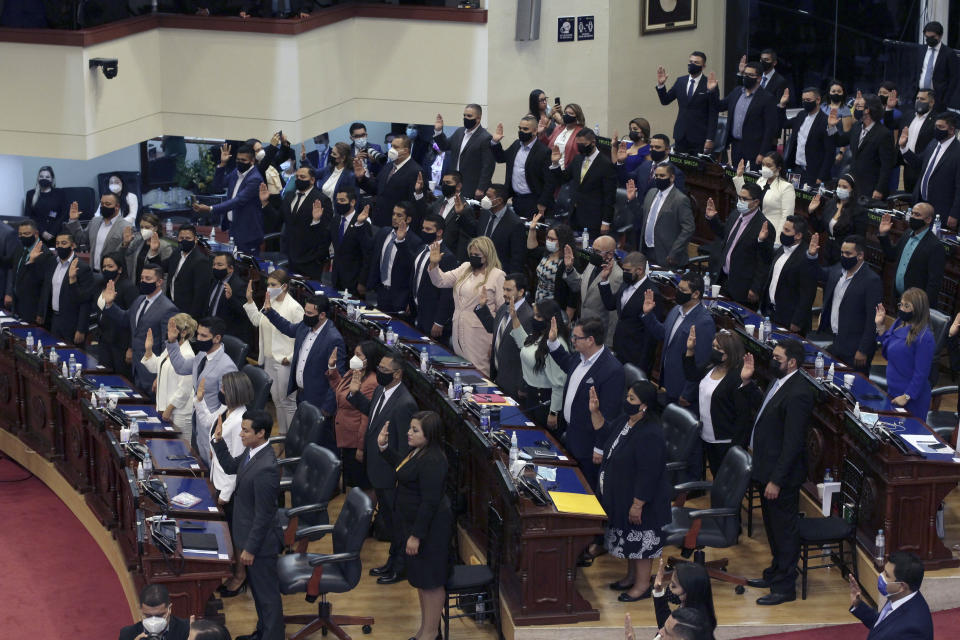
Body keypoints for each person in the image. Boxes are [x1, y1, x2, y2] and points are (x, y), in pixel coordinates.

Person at [741, 339, 815, 605]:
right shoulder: (779, 380)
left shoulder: (800, 392)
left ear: (792, 362)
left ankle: (785, 587)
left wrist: (776, 480)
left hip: (780, 476)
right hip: (765, 467)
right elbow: (765, 410)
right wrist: (748, 383)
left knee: (784, 530)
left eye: (777, 358)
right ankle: (776, 572)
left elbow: (793, 443)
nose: (772, 361)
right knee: (772, 527)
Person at [375, 411, 452, 640]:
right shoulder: (419, 451)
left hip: (430, 532)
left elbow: (429, 502)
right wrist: (385, 448)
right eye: (410, 428)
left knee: (431, 581)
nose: (409, 433)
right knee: (421, 579)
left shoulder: (434, 460)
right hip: (413, 525)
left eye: (414, 430)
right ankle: (424, 630)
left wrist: (416, 536)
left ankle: (430, 634)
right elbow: (404, 469)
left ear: (429, 435)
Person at [592, 380, 671, 602]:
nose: (627, 401)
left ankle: (643, 585)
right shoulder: (627, 422)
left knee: (641, 542)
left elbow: (649, 473)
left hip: (645, 502)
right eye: (628, 396)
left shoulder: (651, 433)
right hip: (623, 495)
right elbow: (606, 432)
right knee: (629, 539)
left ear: (644, 406)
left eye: (632, 399)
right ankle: (630, 577)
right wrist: (595, 412)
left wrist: (638, 504)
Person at [211, 409, 284, 640]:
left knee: (267, 596)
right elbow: (232, 467)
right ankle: (262, 633)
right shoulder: (252, 452)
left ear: (261, 433)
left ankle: (272, 636)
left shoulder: (266, 468)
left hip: (260, 545)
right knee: (260, 594)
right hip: (247, 535)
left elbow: (264, 514)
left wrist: (250, 548)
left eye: (245, 431)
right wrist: (218, 441)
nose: (241, 434)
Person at [347, 350, 418, 585]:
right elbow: (373, 414)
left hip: (391, 475)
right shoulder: (381, 390)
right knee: (389, 521)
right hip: (376, 470)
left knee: (398, 524)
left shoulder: (405, 403)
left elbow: (406, 447)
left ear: (397, 374)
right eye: (378, 367)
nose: (379, 373)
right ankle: (390, 562)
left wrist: (399, 475)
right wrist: (355, 395)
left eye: (384, 370)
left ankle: (401, 568)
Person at [548, 316, 625, 492]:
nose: (572, 341)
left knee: (584, 490)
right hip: (571, 433)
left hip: (589, 444)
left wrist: (600, 446)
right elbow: (566, 363)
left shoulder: (612, 370)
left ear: (590, 340)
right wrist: (553, 343)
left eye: (576, 337)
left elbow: (609, 413)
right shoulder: (579, 357)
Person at [261, 293, 345, 449]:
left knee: (321, 444)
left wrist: (327, 408)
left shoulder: (334, 339)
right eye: (305, 312)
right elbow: (287, 327)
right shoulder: (305, 326)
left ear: (322, 315)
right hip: (302, 395)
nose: (305, 316)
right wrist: (270, 312)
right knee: (304, 441)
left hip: (319, 402)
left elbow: (337, 378)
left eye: (309, 313)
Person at [197, 370, 255, 596]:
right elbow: (206, 424)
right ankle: (232, 571)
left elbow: (238, 465)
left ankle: (241, 576)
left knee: (235, 534)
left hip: (230, 488)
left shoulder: (242, 421)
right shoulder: (226, 411)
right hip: (217, 479)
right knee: (227, 532)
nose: (220, 391)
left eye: (223, 388)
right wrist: (199, 401)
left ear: (234, 391)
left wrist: (226, 493)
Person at [165, 316, 239, 465]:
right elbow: (180, 367)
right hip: (198, 423)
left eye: (203, 336)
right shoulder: (201, 356)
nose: (198, 338)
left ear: (217, 338)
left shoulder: (227, 367)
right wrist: (173, 342)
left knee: (210, 473)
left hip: (213, 429)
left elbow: (229, 406)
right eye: (198, 334)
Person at [428, 236, 505, 376]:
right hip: (458, 327)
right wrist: (434, 265)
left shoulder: (497, 275)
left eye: (477, 255)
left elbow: (502, 312)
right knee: (460, 370)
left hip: (481, 334)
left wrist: (495, 343)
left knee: (478, 372)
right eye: (471, 254)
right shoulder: (465, 267)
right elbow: (440, 281)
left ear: (487, 255)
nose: (473, 257)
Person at [806, 233, 883, 373]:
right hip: (835, 339)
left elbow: (872, 319)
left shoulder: (872, 280)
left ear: (860, 256)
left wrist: (863, 350)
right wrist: (812, 256)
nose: (843, 257)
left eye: (848, 254)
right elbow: (817, 274)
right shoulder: (837, 270)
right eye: (842, 253)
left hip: (855, 346)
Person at [101, 264, 179, 393]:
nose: (143, 282)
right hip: (136, 367)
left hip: (153, 372)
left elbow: (167, 345)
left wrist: (162, 375)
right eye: (142, 278)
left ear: (159, 282)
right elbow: (125, 319)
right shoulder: (140, 299)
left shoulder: (168, 309)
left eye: (148, 279)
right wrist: (109, 304)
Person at [243, 270, 303, 435]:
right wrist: (250, 301)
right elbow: (257, 321)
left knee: (288, 402)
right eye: (268, 284)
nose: (269, 288)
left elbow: (302, 337)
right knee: (277, 400)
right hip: (269, 359)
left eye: (273, 285)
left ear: (284, 287)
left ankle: (290, 440)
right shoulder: (270, 301)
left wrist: (290, 358)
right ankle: (282, 435)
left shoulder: (295, 308)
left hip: (284, 361)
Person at [642, 273, 716, 406]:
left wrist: (688, 393)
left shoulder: (704, 322)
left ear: (695, 294)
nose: (678, 292)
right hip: (667, 382)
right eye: (678, 288)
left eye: (683, 290)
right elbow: (663, 335)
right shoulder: (676, 309)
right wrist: (648, 314)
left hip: (682, 390)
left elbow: (701, 362)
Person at [683, 327, 748, 476]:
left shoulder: (737, 378)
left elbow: (742, 416)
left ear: (730, 352)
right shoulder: (711, 366)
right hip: (706, 435)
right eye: (713, 346)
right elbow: (691, 375)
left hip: (725, 441)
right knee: (715, 476)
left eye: (719, 348)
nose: (714, 350)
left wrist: (736, 448)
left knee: (725, 484)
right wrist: (690, 350)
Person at [704, 183, 772, 307]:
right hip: (722, 278)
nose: (740, 201)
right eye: (739, 197)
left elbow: (764, 261)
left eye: (744, 199)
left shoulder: (764, 226)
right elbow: (725, 235)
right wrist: (713, 218)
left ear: (756, 202)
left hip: (742, 288)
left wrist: (755, 288)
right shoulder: (735, 214)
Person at [193, 143, 265, 255]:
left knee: (247, 266)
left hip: (247, 231)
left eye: (243, 160)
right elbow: (218, 185)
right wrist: (222, 164)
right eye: (238, 159)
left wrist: (210, 208)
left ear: (252, 161)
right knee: (233, 261)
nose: (239, 162)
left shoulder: (255, 179)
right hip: (233, 227)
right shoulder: (236, 173)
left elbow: (238, 201)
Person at [262, 165, 331, 280]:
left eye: (302, 177)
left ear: (312, 180)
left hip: (310, 258)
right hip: (289, 254)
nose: (298, 179)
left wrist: (316, 220)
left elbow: (325, 234)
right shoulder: (289, 196)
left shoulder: (322, 200)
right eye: (297, 177)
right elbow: (277, 221)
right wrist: (265, 203)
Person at [875, 289, 936, 419]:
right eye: (901, 304)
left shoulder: (925, 337)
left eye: (906, 306)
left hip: (911, 399)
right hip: (893, 391)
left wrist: (907, 396)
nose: (902, 308)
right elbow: (887, 354)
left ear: (918, 309)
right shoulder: (899, 324)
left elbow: (921, 373)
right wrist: (880, 326)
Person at [327, 342, 378, 494]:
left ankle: (364, 516)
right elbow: (340, 391)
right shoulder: (353, 372)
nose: (354, 358)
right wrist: (332, 368)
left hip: (356, 441)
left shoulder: (371, 382)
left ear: (368, 359)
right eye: (354, 354)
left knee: (363, 485)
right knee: (352, 482)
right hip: (345, 437)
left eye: (359, 355)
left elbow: (365, 417)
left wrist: (361, 448)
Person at [547, 128, 617, 239]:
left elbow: (609, 196)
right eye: (577, 144)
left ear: (593, 142)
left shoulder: (606, 164)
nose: (579, 147)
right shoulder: (577, 159)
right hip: (574, 214)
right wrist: (555, 164)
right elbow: (563, 179)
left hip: (594, 218)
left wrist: (606, 222)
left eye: (582, 144)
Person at [848, 551, 934, 639]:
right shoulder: (899, 595)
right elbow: (882, 624)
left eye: (887, 575)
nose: (881, 576)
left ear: (902, 586)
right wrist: (858, 604)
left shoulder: (913, 630)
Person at [599, 251, 661, 372]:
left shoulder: (652, 293)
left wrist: (642, 365)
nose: (624, 273)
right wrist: (604, 280)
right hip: (619, 347)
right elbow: (610, 304)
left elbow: (651, 334)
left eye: (627, 270)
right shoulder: (626, 284)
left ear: (639, 270)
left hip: (636, 355)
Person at [512, 298, 568, 429]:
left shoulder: (556, 344)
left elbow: (559, 383)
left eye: (538, 316)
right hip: (530, 396)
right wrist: (514, 317)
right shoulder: (538, 335)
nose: (534, 318)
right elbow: (524, 345)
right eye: (534, 315)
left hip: (545, 401)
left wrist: (553, 412)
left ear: (549, 319)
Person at [474, 272, 534, 398]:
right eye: (503, 289)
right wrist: (483, 307)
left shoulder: (528, 316)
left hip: (514, 384)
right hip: (498, 376)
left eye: (509, 290)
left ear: (521, 292)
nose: (505, 294)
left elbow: (528, 355)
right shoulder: (504, 308)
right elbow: (493, 328)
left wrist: (523, 386)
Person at [141, 313, 197, 447]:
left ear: (183, 332)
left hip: (180, 413)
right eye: (168, 329)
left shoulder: (188, 354)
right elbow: (158, 366)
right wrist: (148, 350)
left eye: (173, 329)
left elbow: (185, 389)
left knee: (181, 450)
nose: (168, 333)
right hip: (167, 409)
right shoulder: (171, 348)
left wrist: (169, 409)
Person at [827, 95, 896, 200]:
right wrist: (832, 127)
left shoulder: (884, 134)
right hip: (854, 185)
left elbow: (886, 166)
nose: (855, 110)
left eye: (858, 107)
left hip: (871, 188)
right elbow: (839, 141)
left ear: (867, 110)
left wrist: (879, 189)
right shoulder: (857, 127)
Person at [898, 112, 960, 229]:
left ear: (952, 130)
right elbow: (918, 164)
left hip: (941, 211)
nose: (936, 130)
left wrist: (955, 214)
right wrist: (904, 147)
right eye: (936, 126)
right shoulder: (932, 143)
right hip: (920, 203)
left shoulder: (957, 152)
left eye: (941, 127)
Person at [710, 61, 779, 166]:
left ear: (759, 78)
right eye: (745, 74)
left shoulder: (767, 98)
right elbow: (719, 106)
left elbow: (769, 129)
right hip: (736, 146)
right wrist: (713, 90)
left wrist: (762, 153)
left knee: (751, 180)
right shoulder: (737, 92)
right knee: (736, 178)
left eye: (750, 75)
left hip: (754, 149)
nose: (746, 77)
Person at [878, 204, 945, 307]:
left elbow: (934, 283)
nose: (912, 217)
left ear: (928, 220)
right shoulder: (907, 234)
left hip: (916, 305)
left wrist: (923, 307)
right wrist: (883, 234)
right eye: (912, 213)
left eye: (917, 215)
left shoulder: (935, 246)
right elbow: (892, 256)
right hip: (897, 299)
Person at [761, 216, 817, 334]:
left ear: (798, 235)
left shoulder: (806, 257)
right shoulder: (782, 249)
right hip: (771, 312)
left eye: (787, 230)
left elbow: (808, 294)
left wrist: (797, 321)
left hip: (790, 320)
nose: (782, 232)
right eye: (783, 229)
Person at [631, 161, 694, 267]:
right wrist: (632, 200)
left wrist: (675, 252)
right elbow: (642, 215)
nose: (658, 178)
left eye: (662, 176)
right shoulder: (651, 192)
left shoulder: (680, 199)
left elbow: (689, 228)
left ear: (672, 178)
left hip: (667, 255)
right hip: (646, 249)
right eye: (656, 176)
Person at [365, 202, 424, 313]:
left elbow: (412, 269)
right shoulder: (384, 232)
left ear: (409, 219)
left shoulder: (416, 242)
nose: (394, 218)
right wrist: (361, 225)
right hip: (380, 292)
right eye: (393, 214)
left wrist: (401, 241)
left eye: (399, 215)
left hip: (400, 298)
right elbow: (368, 249)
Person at [354, 134, 424, 228]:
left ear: (406, 150)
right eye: (391, 146)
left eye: (395, 147)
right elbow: (376, 188)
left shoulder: (416, 171)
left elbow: (415, 206)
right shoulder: (388, 166)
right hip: (378, 221)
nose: (391, 149)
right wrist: (361, 178)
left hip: (396, 225)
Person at [490, 115, 553, 217]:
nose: (521, 131)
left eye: (525, 129)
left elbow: (549, 181)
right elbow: (501, 158)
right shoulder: (516, 145)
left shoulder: (544, 151)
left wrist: (543, 202)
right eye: (520, 128)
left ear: (534, 131)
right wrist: (495, 142)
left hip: (534, 201)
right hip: (516, 198)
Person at [655, 51, 718, 154]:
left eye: (696, 63)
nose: (692, 64)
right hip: (681, 134)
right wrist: (661, 85)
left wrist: (710, 139)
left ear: (703, 66)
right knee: (679, 166)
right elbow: (665, 100)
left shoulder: (709, 84)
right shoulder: (681, 81)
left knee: (696, 168)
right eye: (690, 61)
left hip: (699, 137)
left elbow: (713, 114)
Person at [39, 230, 93, 343]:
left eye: (64, 243)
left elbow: (85, 302)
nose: (60, 246)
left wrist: (81, 329)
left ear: (72, 245)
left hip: (71, 323)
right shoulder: (52, 262)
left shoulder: (82, 268)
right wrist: (41, 312)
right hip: (52, 319)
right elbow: (46, 290)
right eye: (57, 244)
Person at [409, 214, 456, 342]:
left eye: (428, 230)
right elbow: (415, 278)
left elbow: (447, 293)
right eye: (423, 228)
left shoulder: (447, 257)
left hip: (433, 317)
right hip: (418, 312)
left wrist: (440, 321)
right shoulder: (421, 248)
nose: (424, 232)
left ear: (439, 232)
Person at [433, 104, 495, 199]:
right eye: (464, 115)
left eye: (469, 116)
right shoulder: (459, 132)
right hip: (454, 183)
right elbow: (445, 146)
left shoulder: (485, 138)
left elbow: (488, 166)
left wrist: (481, 188)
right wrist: (438, 131)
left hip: (472, 186)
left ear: (478, 118)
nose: (466, 118)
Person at [805, 174, 868, 266]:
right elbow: (819, 228)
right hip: (827, 252)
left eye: (844, 187)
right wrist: (811, 212)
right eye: (839, 186)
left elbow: (860, 239)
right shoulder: (830, 204)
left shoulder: (859, 211)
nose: (840, 189)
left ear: (852, 190)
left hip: (845, 255)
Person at [92, 252, 138, 376]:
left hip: (121, 343)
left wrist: (131, 347)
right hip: (104, 340)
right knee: (104, 376)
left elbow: (134, 320)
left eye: (110, 266)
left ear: (120, 269)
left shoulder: (128, 287)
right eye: (104, 266)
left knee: (120, 379)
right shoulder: (101, 284)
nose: (106, 269)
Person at [416, 172, 476, 262]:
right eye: (443, 183)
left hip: (449, 257)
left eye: (448, 183)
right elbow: (424, 213)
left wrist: (460, 214)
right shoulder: (439, 200)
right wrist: (419, 193)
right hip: (431, 250)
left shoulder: (465, 208)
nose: (444, 185)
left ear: (458, 186)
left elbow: (469, 234)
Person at [65, 193, 132, 274]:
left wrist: (125, 244)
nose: (103, 207)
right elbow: (80, 240)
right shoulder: (95, 221)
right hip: (93, 271)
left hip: (113, 274)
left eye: (107, 204)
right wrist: (73, 221)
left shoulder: (126, 227)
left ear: (117, 207)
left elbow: (128, 255)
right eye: (102, 203)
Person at [733, 152, 795, 236]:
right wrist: (739, 176)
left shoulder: (786, 187)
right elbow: (746, 197)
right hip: (754, 227)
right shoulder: (761, 181)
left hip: (772, 230)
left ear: (778, 168)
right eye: (763, 165)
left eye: (769, 166)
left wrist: (778, 239)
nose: (765, 168)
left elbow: (787, 216)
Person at [652, 560, 718, 639]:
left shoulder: (692, 622)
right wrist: (658, 591)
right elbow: (667, 627)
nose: (669, 588)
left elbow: (668, 631)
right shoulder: (690, 607)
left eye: (674, 586)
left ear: (690, 590)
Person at [783, 87, 835, 187]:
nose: (805, 102)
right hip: (796, 170)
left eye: (808, 100)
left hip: (814, 173)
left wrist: (821, 177)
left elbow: (830, 153)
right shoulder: (801, 115)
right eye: (803, 100)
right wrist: (782, 105)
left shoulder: (826, 121)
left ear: (818, 100)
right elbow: (784, 123)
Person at [526, 213, 574, 313]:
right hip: (539, 299)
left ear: (562, 241)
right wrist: (532, 229)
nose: (548, 241)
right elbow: (532, 249)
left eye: (552, 239)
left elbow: (572, 293)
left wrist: (569, 315)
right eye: (547, 238)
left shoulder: (567, 261)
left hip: (554, 305)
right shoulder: (546, 253)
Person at [474, 183, 526, 274]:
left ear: (499, 200)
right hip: (478, 268)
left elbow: (517, 258)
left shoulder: (515, 224)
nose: (484, 199)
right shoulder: (484, 213)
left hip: (499, 272)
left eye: (488, 196)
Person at [331, 187, 373, 296]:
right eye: (337, 200)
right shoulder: (336, 220)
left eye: (342, 200)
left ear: (352, 202)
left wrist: (362, 282)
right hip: (337, 277)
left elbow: (368, 255)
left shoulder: (362, 223)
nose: (339, 203)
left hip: (354, 280)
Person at [165, 224, 213, 319]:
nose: (184, 240)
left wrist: (191, 318)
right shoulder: (177, 253)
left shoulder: (201, 261)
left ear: (195, 240)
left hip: (187, 312)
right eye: (181, 238)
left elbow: (200, 294)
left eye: (188, 238)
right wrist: (153, 253)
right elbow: (164, 267)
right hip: (171, 306)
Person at [9, 221, 53, 322]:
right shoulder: (20, 248)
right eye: (20, 234)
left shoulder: (45, 254)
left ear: (36, 234)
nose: (23, 237)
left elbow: (45, 287)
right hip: (17, 304)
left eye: (26, 234)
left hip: (32, 308)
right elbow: (15, 273)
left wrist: (40, 313)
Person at [620, 133, 687, 197]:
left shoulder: (676, 172)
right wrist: (621, 162)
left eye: (657, 147)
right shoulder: (645, 165)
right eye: (651, 147)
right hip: (638, 207)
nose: (653, 150)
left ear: (667, 150)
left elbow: (676, 199)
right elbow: (628, 180)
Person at [899, 89, 940, 192]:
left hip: (922, 169)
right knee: (906, 200)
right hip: (906, 167)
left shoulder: (936, 120)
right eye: (917, 98)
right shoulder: (908, 115)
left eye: (922, 99)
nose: (918, 101)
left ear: (931, 102)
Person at [206, 251, 249, 344]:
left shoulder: (239, 286)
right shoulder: (214, 280)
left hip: (227, 336)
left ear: (231, 269)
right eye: (214, 264)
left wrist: (231, 298)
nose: (215, 267)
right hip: (210, 332)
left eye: (219, 265)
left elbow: (244, 312)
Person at [118, 584, 189, 640]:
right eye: (148, 616)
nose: (153, 621)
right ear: (140, 610)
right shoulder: (128, 634)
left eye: (159, 615)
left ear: (169, 609)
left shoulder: (188, 630)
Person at [121, 212, 174, 282]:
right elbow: (124, 255)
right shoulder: (139, 241)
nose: (143, 230)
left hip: (153, 285)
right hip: (137, 282)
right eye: (142, 227)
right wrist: (125, 243)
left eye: (147, 227)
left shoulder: (165, 246)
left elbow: (166, 271)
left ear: (155, 228)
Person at [918, 21, 958, 111]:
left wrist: (945, 100)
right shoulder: (921, 50)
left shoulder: (949, 54)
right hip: (919, 95)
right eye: (927, 37)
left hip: (938, 99)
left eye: (932, 37)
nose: (929, 40)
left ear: (940, 36)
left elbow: (954, 79)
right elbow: (916, 71)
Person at [24, 165, 68, 242]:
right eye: (41, 176)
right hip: (38, 233)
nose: (44, 179)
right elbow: (29, 216)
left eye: (47, 177)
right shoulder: (30, 194)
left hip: (57, 233)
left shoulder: (60, 193)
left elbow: (63, 214)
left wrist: (53, 232)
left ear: (52, 179)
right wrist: (42, 232)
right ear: (38, 178)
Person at [538, 102, 585, 170]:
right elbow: (547, 144)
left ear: (577, 117)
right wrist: (542, 133)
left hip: (566, 171)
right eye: (565, 113)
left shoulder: (581, 132)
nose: (567, 115)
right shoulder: (558, 128)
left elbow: (579, 155)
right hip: (551, 167)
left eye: (571, 113)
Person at [610, 117, 651, 183]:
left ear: (643, 132)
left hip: (633, 184)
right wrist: (614, 146)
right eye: (630, 129)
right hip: (619, 179)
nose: (632, 131)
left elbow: (648, 173)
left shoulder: (648, 149)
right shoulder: (627, 145)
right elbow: (616, 163)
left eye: (635, 129)